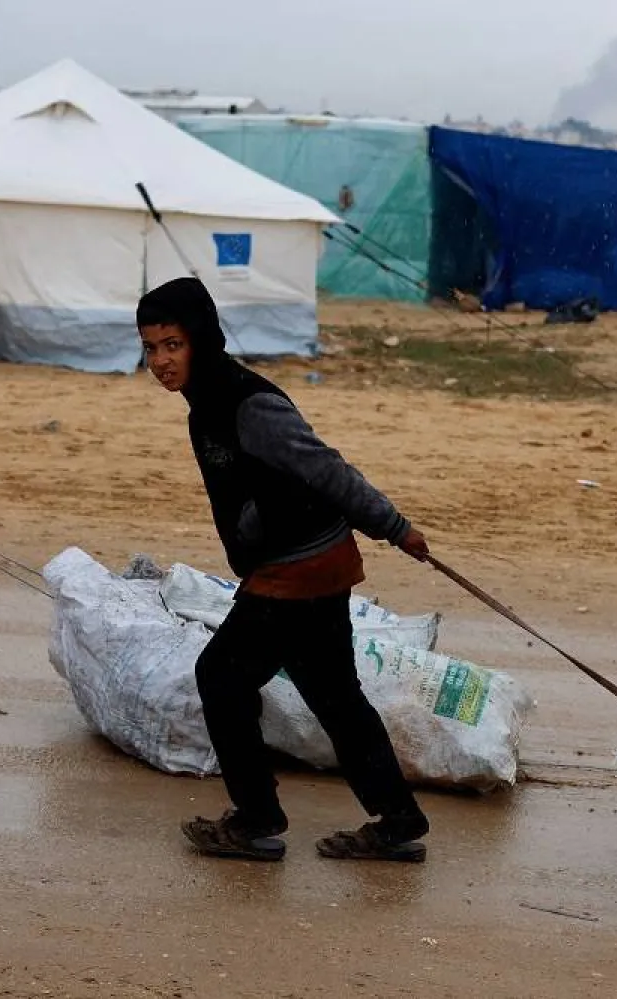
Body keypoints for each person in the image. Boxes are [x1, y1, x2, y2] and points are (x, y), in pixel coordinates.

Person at [135, 276, 431, 863]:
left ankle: (255, 820)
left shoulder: (250, 404)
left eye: (173, 345)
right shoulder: (207, 401)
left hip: (299, 570)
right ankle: (398, 821)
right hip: (303, 566)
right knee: (336, 697)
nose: (162, 361)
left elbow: (327, 470)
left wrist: (393, 526)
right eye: (150, 348)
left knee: (222, 676)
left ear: (201, 339)